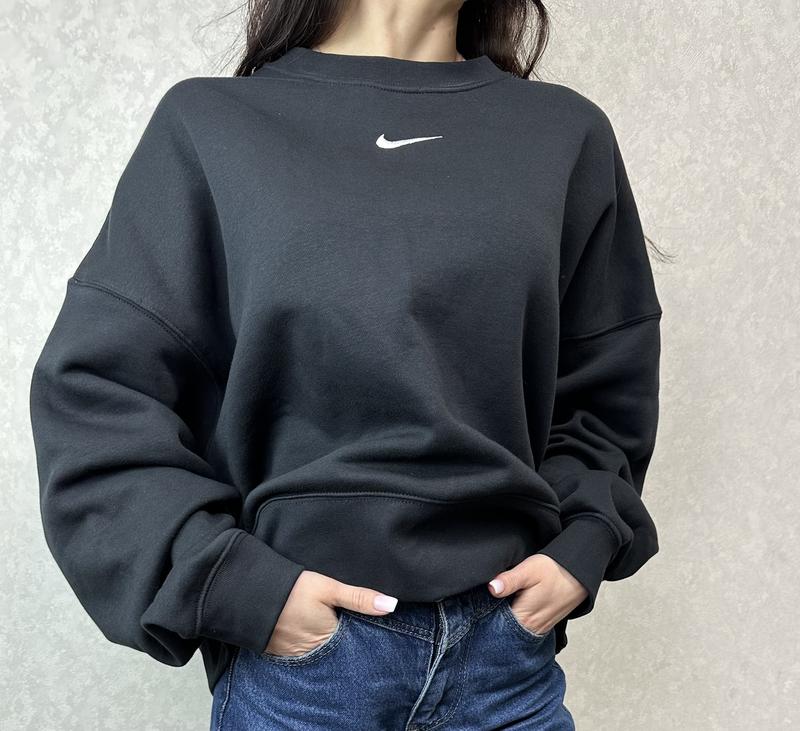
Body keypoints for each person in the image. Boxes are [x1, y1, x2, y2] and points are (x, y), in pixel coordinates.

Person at [29, 1, 664, 729]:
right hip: (305, 680)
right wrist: (235, 584)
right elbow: (97, 393)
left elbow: (605, 387)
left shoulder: (564, 134)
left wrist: (585, 541)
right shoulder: (212, 124)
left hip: (506, 667)